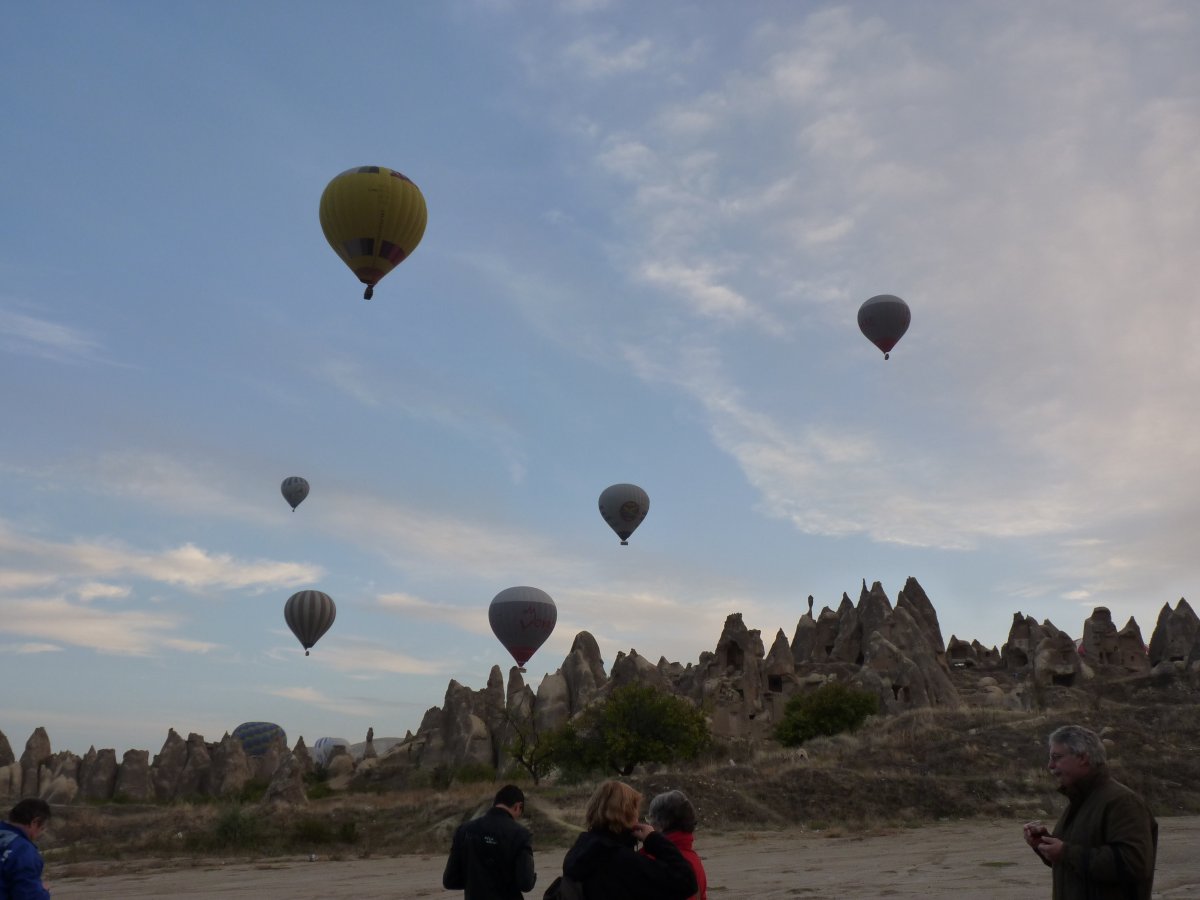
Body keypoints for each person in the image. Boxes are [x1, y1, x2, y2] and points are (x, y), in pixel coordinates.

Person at [1022, 724, 1157, 900]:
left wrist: (1065, 852)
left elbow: (1133, 864)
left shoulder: (1122, 802)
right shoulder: (1079, 800)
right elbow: (1072, 863)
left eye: (1057, 757)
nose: (1050, 765)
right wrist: (1043, 845)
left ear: (1083, 758)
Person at [560, 780, 697, 900]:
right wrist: (654, 839)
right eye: (635, 809)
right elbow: (686, 882)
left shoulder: (580, 851)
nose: (638, 816)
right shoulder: (619, 859)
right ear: (626, 814)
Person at [443, 784, 536, 900]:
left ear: (496, 803)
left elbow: (450, 881)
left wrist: (476, 881)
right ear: (518, 806)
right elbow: (525, 883)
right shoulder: (520, 834)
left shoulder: (464, 830)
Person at [644, 790, 706, 900]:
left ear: (660, 823)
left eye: (650, 818)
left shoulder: (651, 859)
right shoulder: (693, 858)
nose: (648, 823)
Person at [0, 798, 52, 900]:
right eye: (42, 828)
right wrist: (43, 892)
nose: (41, 833)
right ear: (35, 822)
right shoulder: (23, 851)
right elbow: (28, 896)